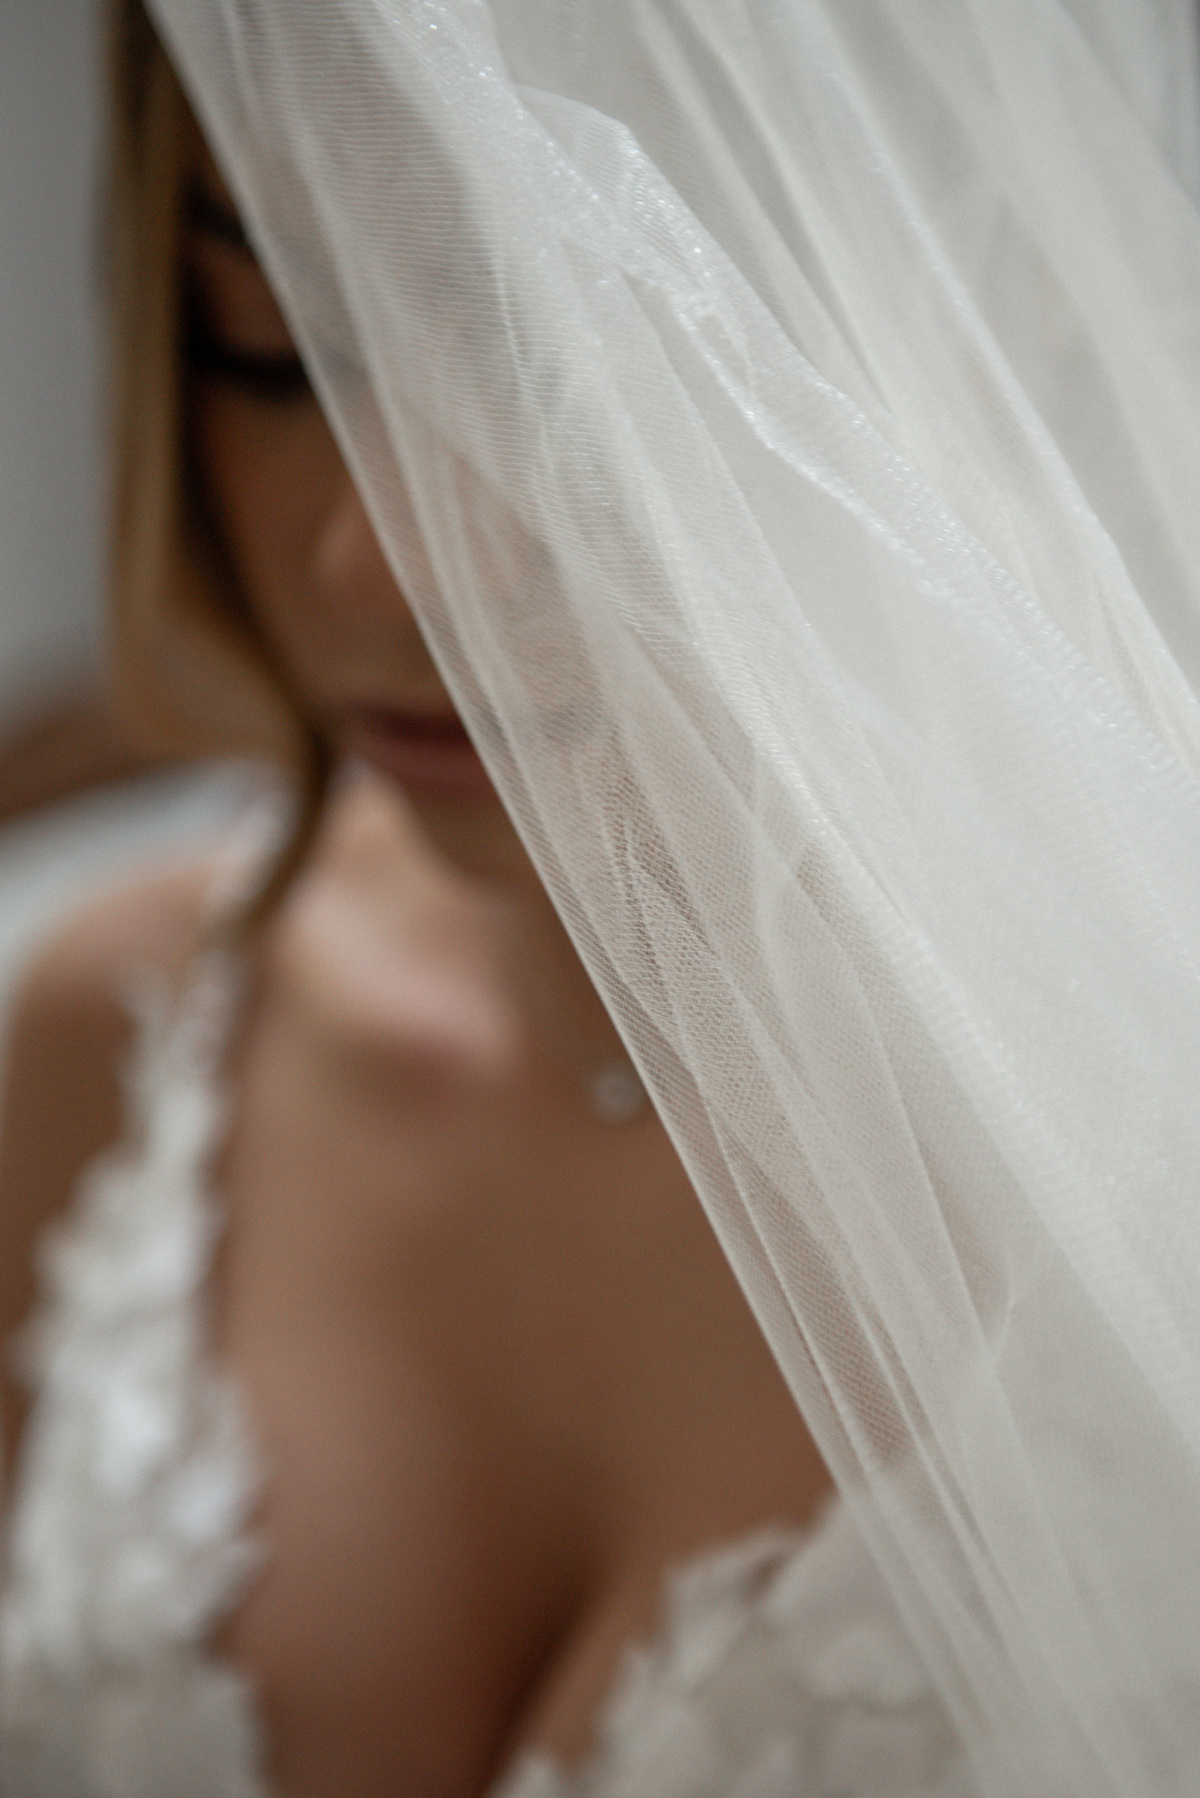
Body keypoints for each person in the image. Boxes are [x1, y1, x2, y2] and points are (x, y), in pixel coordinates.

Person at [6, 1, 1200, 1794]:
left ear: (973, 279)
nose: (372, 559)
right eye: (280, 353)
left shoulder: (1155, 1164)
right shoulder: (123, 1032)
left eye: (558, 356)